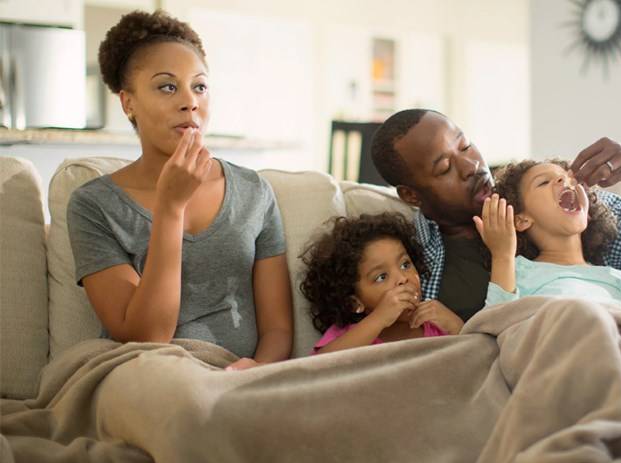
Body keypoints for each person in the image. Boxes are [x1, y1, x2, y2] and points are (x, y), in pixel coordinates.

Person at [66, 10, 293, 370]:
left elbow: (278, 328)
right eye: (167, 86)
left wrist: (256, 371)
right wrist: (170, 208)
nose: (191, 101)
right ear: (129, 103)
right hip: (149, 371)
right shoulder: (93, 205)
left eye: (199, 86)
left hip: (241, 379)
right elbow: (146, 336)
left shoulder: (253, 191)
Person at [370, 109, 621, 321]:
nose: (472, 166)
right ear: (411, 195)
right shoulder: (408, 257)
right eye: (445, 167)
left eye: (465, 146)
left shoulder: (552, 205)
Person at [477, 159, 621, 317]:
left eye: (570, 180)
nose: (563, 179)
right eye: (543, 182)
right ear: (521, 220)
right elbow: (497, 322)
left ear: (588, 212)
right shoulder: (519, 270)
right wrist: (502, 256)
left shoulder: (616, 277)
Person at [300, 213, 462, 355]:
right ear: (354, 302)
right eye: (381, 277)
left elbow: (475, 366)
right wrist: (379, 319)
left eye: (405, 265)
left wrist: (457, 328)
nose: (402, 278)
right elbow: (318, 369)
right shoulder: (351, 337)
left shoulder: (435, 326)